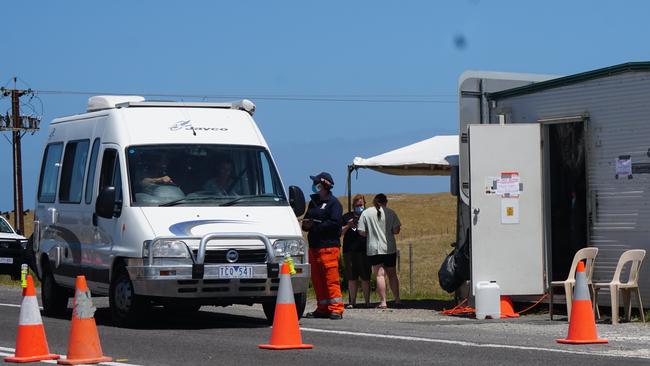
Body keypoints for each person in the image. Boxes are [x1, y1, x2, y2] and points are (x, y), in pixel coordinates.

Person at [302, 172, 344, 320]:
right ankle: (323, 308)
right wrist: (306, 225)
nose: (314, 186)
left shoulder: (334, 204)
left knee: (331, 279)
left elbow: (335, 223)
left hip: (329, 247)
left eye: (316, 183)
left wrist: (316, 225)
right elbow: (307, 220)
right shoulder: (313, 202)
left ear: (323, 185)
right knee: (317, 280)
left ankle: (336, 309)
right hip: (314, 247)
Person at [358, 193, 402, 309]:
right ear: (385, 202)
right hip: (389, 247)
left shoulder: (366, 213)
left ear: (374, 202)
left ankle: (383, 301)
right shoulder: (391, 212)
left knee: (379, 275)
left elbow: (361, 232)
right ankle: (397, 299)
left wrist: (371, 233)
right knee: (392, 274)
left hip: (374, 248)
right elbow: (396, 230)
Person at [341, 194, 371, 308]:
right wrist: (348, 225)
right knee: (352, 278)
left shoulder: (368, 216)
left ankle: (367, 301)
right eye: (357, 205)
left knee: (365, 277)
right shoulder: (346, 216)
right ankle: (352, 301)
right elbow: (340, 233)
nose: (360, 207)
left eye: (361, 205)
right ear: (353, 205)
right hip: (349, 251)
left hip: (364, 250)